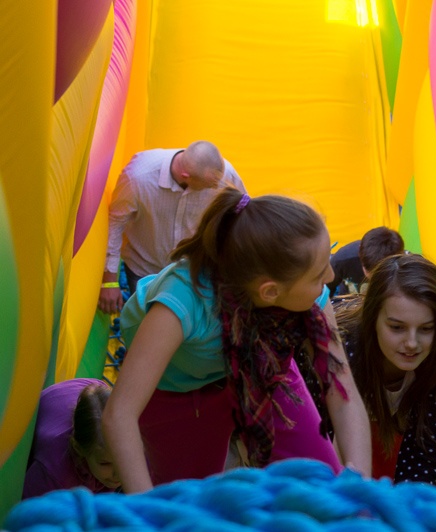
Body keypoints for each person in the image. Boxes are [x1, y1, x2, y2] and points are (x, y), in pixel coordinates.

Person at [102, 189, 371, 493]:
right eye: (319, 274)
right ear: (271, 292)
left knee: (319, 483)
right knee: (185, 505)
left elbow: (342, 387)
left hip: (260, 362)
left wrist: (359, 489)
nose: (331, 275)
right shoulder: (182, 301)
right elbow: (119, 414)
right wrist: (146, 510)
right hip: (182, 391)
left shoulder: (306, 299)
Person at [331, 254, 436, 485]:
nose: (412, 342)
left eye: (426, 329)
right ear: (373, 319)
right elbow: (324, 440)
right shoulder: (343, 346)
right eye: (397, 327)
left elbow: (425, 450)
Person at [98, 140, 246, 314]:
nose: (215, 187)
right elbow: (115, 224)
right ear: (186, 176)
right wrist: (109, 281)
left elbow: (242, 213)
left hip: (193, 269)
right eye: (209, 186)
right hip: (144, 269)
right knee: (145, 323)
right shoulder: (139, 178)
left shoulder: (224, 175)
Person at [24, 379, 120, 498]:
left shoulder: (133, 444)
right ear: (79, 449)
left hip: (89, 389)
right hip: (48, 402)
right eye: (105, 463)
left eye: (123, 459)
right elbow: (29, 508)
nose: (118, 473)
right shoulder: (56, 470)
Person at [327, 227, 405, 296]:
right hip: (350, 305)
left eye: (381, 276)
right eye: (372, 276)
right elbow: (325, 292)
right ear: (360, 256)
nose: (375, 280)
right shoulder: (341, 260)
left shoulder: (408, 267)